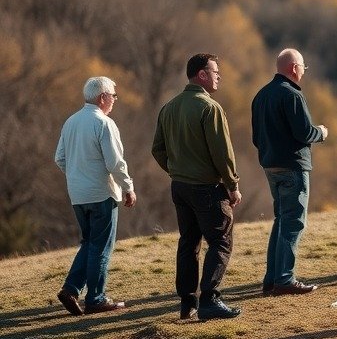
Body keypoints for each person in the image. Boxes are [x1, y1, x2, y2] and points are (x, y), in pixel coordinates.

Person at [152, 52, 242, 321]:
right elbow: (222, 153)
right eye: (215, 72)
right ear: (201, 75)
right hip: (207, 188)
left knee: (188, 243)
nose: (219, 77)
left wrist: (177, 170)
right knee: (221, 241)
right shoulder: (209, 107)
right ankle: (210, 300)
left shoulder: (168, 107)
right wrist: (232, 185)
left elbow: (157, 150)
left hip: (179, 187)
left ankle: (187, 303)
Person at [54, 76, 137, 316]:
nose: (114, 100)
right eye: (113, 95)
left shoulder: (70, 121)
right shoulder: (104, 123)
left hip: (78, 194)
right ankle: (96, 298)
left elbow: (59, 158)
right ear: (103, 98)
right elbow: (115, 162)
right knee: (101, 246)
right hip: (101, 193)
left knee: (89, 242)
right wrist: (128, 187)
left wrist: (77, 175)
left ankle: (70, 289)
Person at [251, 48, 329, 296]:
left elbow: (256, 137)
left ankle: (272, 278)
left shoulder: (261, 95)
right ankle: (284, 279)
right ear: (294, 68)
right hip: (293, 166)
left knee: (281, 220)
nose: (304, 71)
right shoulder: (292, 95)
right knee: (293, 222)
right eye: (303, 67)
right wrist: (322, 132)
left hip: (270, 165)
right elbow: (304, 132)